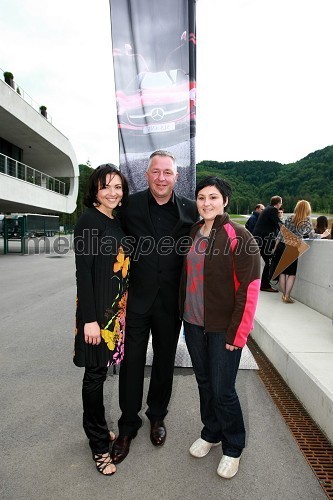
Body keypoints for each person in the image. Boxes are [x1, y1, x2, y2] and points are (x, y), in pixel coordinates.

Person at [111, 150, 198, 464]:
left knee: (164, 362)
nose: (161, 178)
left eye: (167, 173)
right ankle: (127, 426)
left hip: (171, 302)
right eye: (156, 172)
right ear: (147, 175)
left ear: (177, 177)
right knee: (132, 363)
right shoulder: (129, 206)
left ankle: (157, 416)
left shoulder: (191, 209)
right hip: (136, 299)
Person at [179, 176, 261, 479]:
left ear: (224, 200)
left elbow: (250, 288)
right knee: (203, 382)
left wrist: (237, 334)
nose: (206, 203)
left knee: (223, 388)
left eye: (213, 197)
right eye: (201, 197)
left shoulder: (239, 235)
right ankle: (211, 432)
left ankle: (233, 446)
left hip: (222, 328)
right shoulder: (192, 233)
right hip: (193, 322)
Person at [74, 164, 129, 476]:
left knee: (100, 373)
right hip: (97, 316)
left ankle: (96, 427)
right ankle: (97, 444)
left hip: (115, 314)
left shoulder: (116, 220)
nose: (113, 192)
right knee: (94, 377)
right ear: (94, 189)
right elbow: (83, 273)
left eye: (118, 187)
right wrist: (90, 320)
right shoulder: (88, 221)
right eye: (106, 186)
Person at [276, 200, 330, 303]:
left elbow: (281, 233)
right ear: (307, 209)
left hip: (282, 246)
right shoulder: (307, 220)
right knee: (291, 274)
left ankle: (283, 295)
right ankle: (287, 296)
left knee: (282, 272)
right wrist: (323, 235)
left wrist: (275, 246)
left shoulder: (289, 217)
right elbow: (312, 236)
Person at [253, 195, 283, 292]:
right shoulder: (273, 210)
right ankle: (265, 285)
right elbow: (278, 224)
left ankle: (262, 284)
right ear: (278, 203)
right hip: (265, 240)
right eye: (281, 203)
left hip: (259, 239)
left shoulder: (267, 209)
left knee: (257, 261)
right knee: (269, 261)